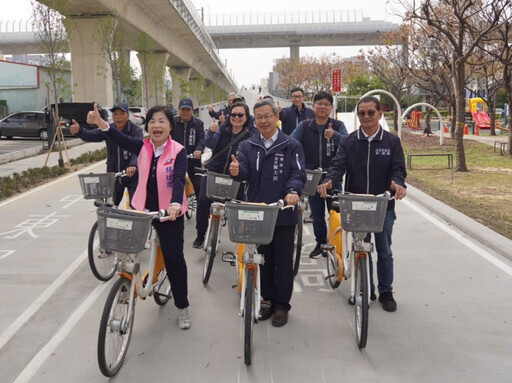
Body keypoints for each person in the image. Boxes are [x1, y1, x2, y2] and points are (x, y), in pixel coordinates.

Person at [83, 104, 192, 329]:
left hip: (168, 213)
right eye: (152, 121)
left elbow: (179, 179)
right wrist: (101, 124)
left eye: (162, 121)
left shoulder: (178, 151)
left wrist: (173, 204)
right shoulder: (142, 146)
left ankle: (183, 307)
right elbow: (118, 137)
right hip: (142, 208)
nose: (156, 125)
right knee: (127, 250)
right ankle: (127, 285)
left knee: (174, 260)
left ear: (170, 126)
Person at [317, 96, 407, 312]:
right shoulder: (349, 141)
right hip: (356, 206)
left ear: (380, 114)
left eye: (370, 112)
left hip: (382, 206)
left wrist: (398, 184)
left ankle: (386, 291)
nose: (366, 117)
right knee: (360, 249)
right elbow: (338, 165)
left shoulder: (391, 142)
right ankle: (365, 288)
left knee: (384, 251)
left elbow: (398, 169)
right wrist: (329, 181)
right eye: (362, 113)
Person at [229, 98, 306, 327]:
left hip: (282, 212)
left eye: (267, 116)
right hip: (257, 213)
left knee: (283, 262)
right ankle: (267, 300)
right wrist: (236, 171)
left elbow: (298, 173)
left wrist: (293, 191)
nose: (263, 121)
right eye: (259, 117)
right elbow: (243, 171)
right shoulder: (248, 145)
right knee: (262, 259)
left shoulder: (291, 145)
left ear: (276, 117)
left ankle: (282, 305)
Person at [291, 91, 348, 258]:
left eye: (326, 104)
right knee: (317, 214)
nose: (322, 107)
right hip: (312, 178)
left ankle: (334, 244)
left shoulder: (338, 125)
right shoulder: (304, 126)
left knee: (335, 213)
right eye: (319, 103)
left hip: (333, 177)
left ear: (331, 108)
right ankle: (321, 244)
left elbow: (349, 144)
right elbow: (291, 143)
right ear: (313, 106)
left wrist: (335, 136)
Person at [192, 102, 254, 248]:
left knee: (240, 208)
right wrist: (211, 132)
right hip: (214, 172)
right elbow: (211, 144)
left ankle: (241, 241)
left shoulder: (251, 135)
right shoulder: (222, 129)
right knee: (203, 201)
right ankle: (201, 234)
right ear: (229, 116)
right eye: (233, 114)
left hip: (237, 176)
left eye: (240, 115)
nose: (236, 118)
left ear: (246, 117)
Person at [69, 102, 141, 206]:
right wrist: (79, 131)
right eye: (115, 114)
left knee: (136, 206)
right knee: (109, 207)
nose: (118, 117)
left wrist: (133, 165)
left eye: (121, 113)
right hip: (114, 176)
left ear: (128, 116)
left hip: (132, 175)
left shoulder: (136, 131)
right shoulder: (108, 129)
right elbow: (91, 135)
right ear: (112, 116)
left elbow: (138, 150)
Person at [172, 98, 205, 198]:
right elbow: (167, 138)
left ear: (192, 111)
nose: (185, 112)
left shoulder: (198, 124)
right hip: (175, 161)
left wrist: (198, 150)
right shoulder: (173, 123)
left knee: (200, 189)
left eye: (188, 110)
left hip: (193, 161)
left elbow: (202, 139)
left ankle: (202, 212)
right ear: (179, 110)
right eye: (183, 110)